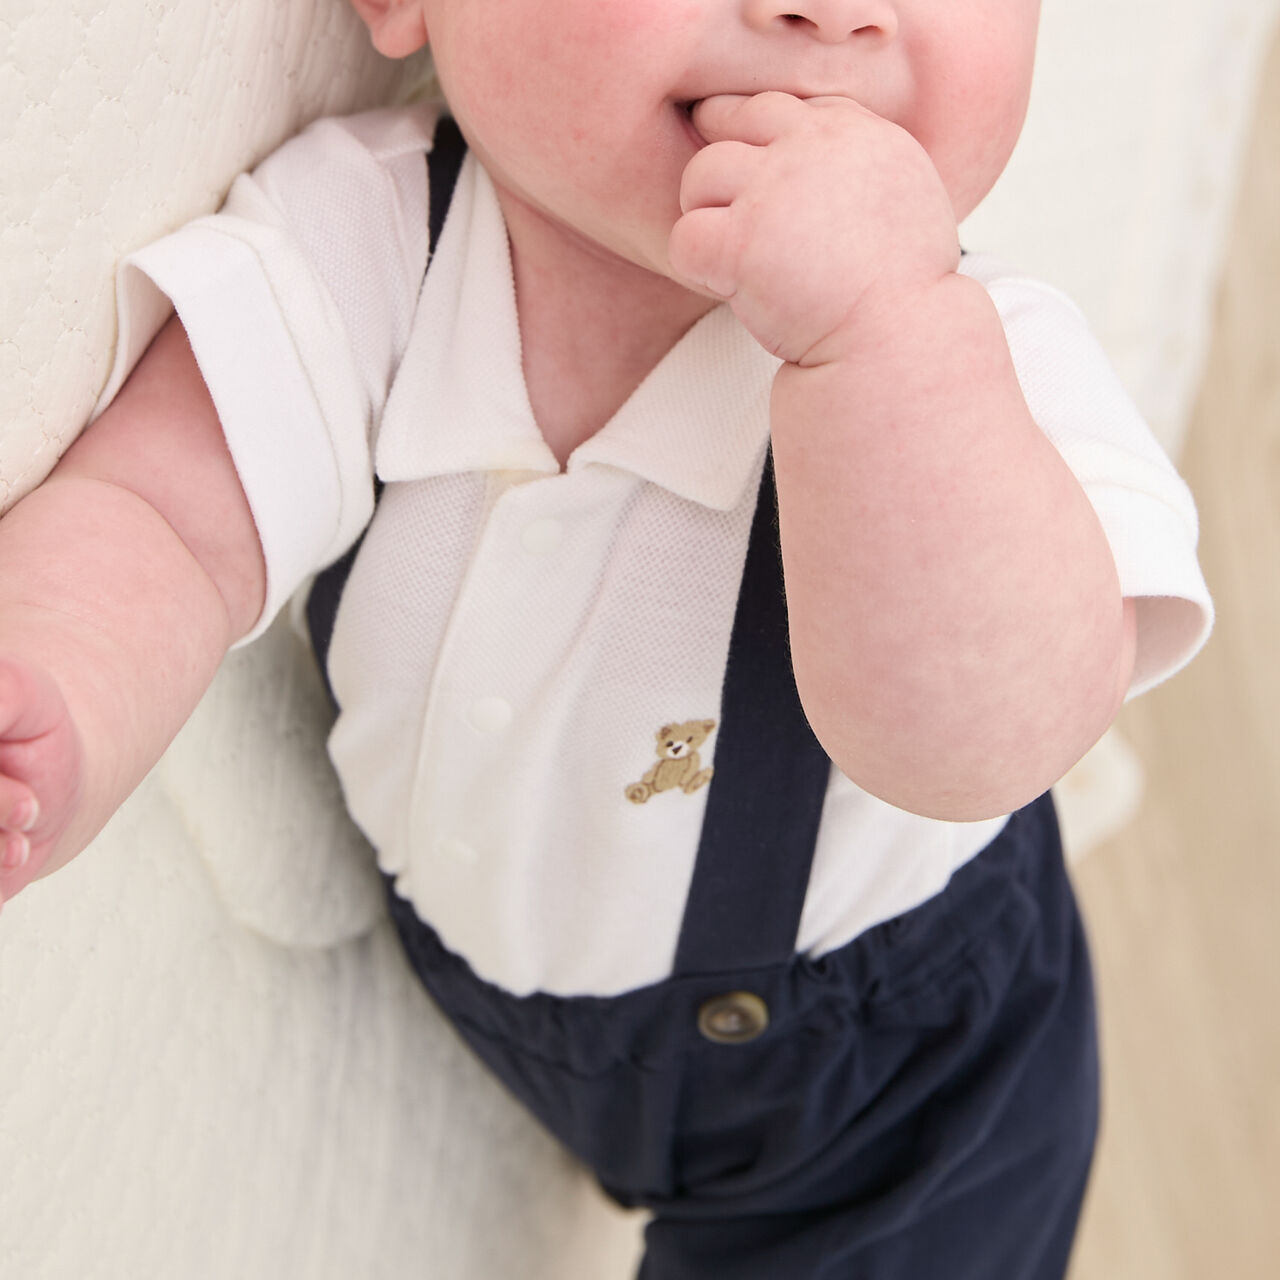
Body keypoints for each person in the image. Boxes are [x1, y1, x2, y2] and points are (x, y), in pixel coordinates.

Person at [0, 0, 1212, 1274]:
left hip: (893, 1078)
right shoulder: (372, 238)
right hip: (526, 998)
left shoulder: (981, 376)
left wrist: (884, 334)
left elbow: (982, 742)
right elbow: (167, 519)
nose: (833, 11)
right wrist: (54, 694)